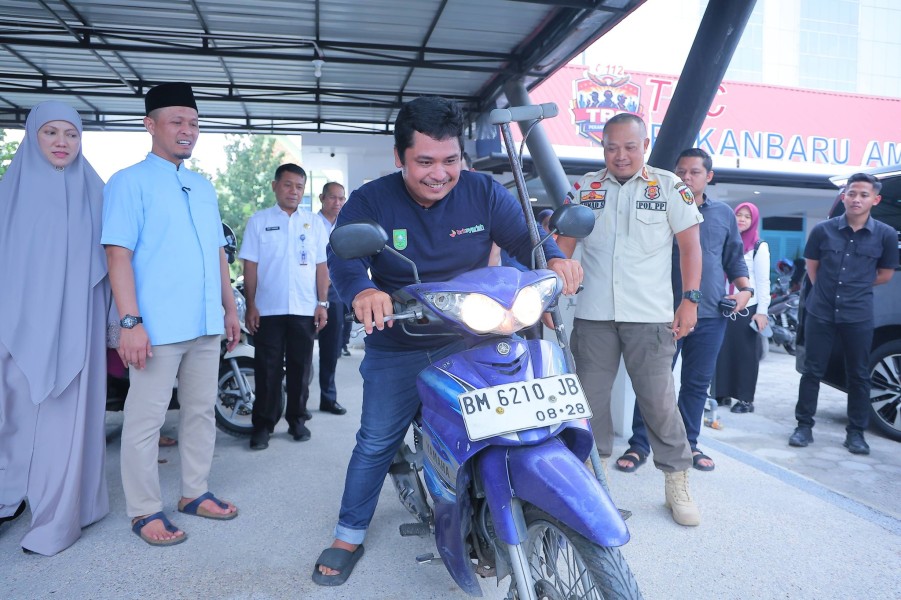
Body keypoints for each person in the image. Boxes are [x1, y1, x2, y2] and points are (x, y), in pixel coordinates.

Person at [313, 96, 583, 585]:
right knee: (376, 440)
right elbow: (344, 256)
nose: (440, 173)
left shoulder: (482, 192)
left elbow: (528, 239)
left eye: (450, 160)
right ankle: (348, 533)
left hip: (474, 335)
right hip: (401, 339)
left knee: (520, 419)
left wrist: (554, 258)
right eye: (425, 162)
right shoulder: (371, 200)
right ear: (400, 158)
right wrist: (365, 290)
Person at [102, 82, 239, 547]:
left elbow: (218, 253)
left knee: (201, 412)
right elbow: (117, 255)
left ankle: (194, 493)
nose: (188, 131)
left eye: (194, 123)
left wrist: (230, 307)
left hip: (204, 323)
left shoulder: (202, 186)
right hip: (155, 328)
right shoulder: (128, 181)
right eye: (177, 121)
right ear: (150, 125)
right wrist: (129, 322)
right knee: (146, 421)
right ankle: (144, 511)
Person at [556, 113, 704, 527]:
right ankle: (592, 479)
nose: (620, 155)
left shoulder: (670, 187)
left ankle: (677, 480)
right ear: (602, 147)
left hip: (650, 316)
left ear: (645, 145)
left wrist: (690, 300)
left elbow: (690, 248)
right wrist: (550, 298)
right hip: (594, 314)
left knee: (659, 402)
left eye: (629, 146)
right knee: (588, 402)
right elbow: (561, 248)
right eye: (611, 147)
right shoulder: (586, 189)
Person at [0, 101, 110, 555]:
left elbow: (115, 262)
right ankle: (9, 497)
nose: (63, 142)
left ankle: (58, 514)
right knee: (12, 413)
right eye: (51, 132)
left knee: (67, 421)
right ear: (32, 136)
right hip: (15, 324)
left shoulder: (95, 191)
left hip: (74, 326)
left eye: (71, 133)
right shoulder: (10, 191)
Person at [620, 148, 751, 473]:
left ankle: (690, 444)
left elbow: (733, 256)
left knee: (696, 384)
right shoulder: (657, 208)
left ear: (709, 176)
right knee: (653, 382)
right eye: (681, 171)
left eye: (694, 172)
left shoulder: (722, 214)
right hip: (661, 312)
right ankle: (639, 444)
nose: (687, 178)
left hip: (710, 315)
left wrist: (745, 291)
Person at [789, 172, 897, 455]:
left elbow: (885, 274)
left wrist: (856, 285)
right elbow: (812, 268)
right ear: (844, 196)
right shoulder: (823, 231)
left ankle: (856, 433)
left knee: (859, 374)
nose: (856, 199)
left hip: (858, 314)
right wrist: (828, 288)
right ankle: (803, 427)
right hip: (821, 311)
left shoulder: (884, 235)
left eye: (863, 195)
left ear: (876, 199)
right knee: (812, 371)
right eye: (852, 193)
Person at [239, 164, 330, 450]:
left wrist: (322, 303)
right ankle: (263, 425)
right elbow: (250, 266)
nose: (294, 191)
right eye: (288, 185)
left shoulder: (313, 223)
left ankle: (297, 420)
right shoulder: (259, 221)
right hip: (268, 309)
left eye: (299, 186)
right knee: (267, 370)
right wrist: (251, 305)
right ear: (275, 186)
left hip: (304, 308)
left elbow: (322, 266)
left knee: (300, 369)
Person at [712, 202, 771, 414]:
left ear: (753, 220)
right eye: (739, 215)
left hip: (748, 308)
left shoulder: (758, 246)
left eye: (747, 216)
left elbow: (763, 281)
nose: (742, 219)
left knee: (746, 355)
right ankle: (722, 394)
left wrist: (762, 311)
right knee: (722, 352)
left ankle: (746, 399)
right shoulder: (727, 240)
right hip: (723, 304)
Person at [315, 181, 349, 416]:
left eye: (341, 198)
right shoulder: (307, 223)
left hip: (335, 293)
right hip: (305, 293)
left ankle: (328, 398)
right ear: (321, 198)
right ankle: (297, 401)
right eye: (332, 198)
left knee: (330, 350)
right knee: (301, 351)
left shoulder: (345, 227)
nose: (337, 203)